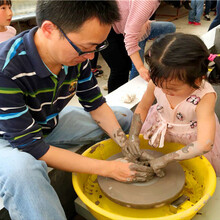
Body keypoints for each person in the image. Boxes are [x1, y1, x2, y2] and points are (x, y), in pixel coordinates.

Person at [0, 1, 154, 219]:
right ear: (48, 29)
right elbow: (33, 148)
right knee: (24, 171)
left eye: (97, 48)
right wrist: (109, 169)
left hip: (46, 122)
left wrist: (126, 145)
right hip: (6, 138)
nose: (91, 57)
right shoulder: (6, 69)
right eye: (86, 48)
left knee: (124, 117)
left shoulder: (77, 54)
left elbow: (96, 104)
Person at [122, 33, 220, 177]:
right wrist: (133, 136)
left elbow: (204, 143)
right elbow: (143, 107)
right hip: (160, 127)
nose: (165, 91)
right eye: (160, 85)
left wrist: (166, 158)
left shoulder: (205, 96)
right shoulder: (157, 83)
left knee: (187, 173)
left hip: (192, 141)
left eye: (173, 88)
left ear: (198, 79)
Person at [100, 0, 177, 93]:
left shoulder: (151, 3)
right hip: (105, 24)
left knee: (125, 65)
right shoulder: (148, 2)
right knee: (120, 68)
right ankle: (115, 102)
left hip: (121, 25)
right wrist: (140, 67)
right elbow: (130, 37)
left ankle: (120, 92)